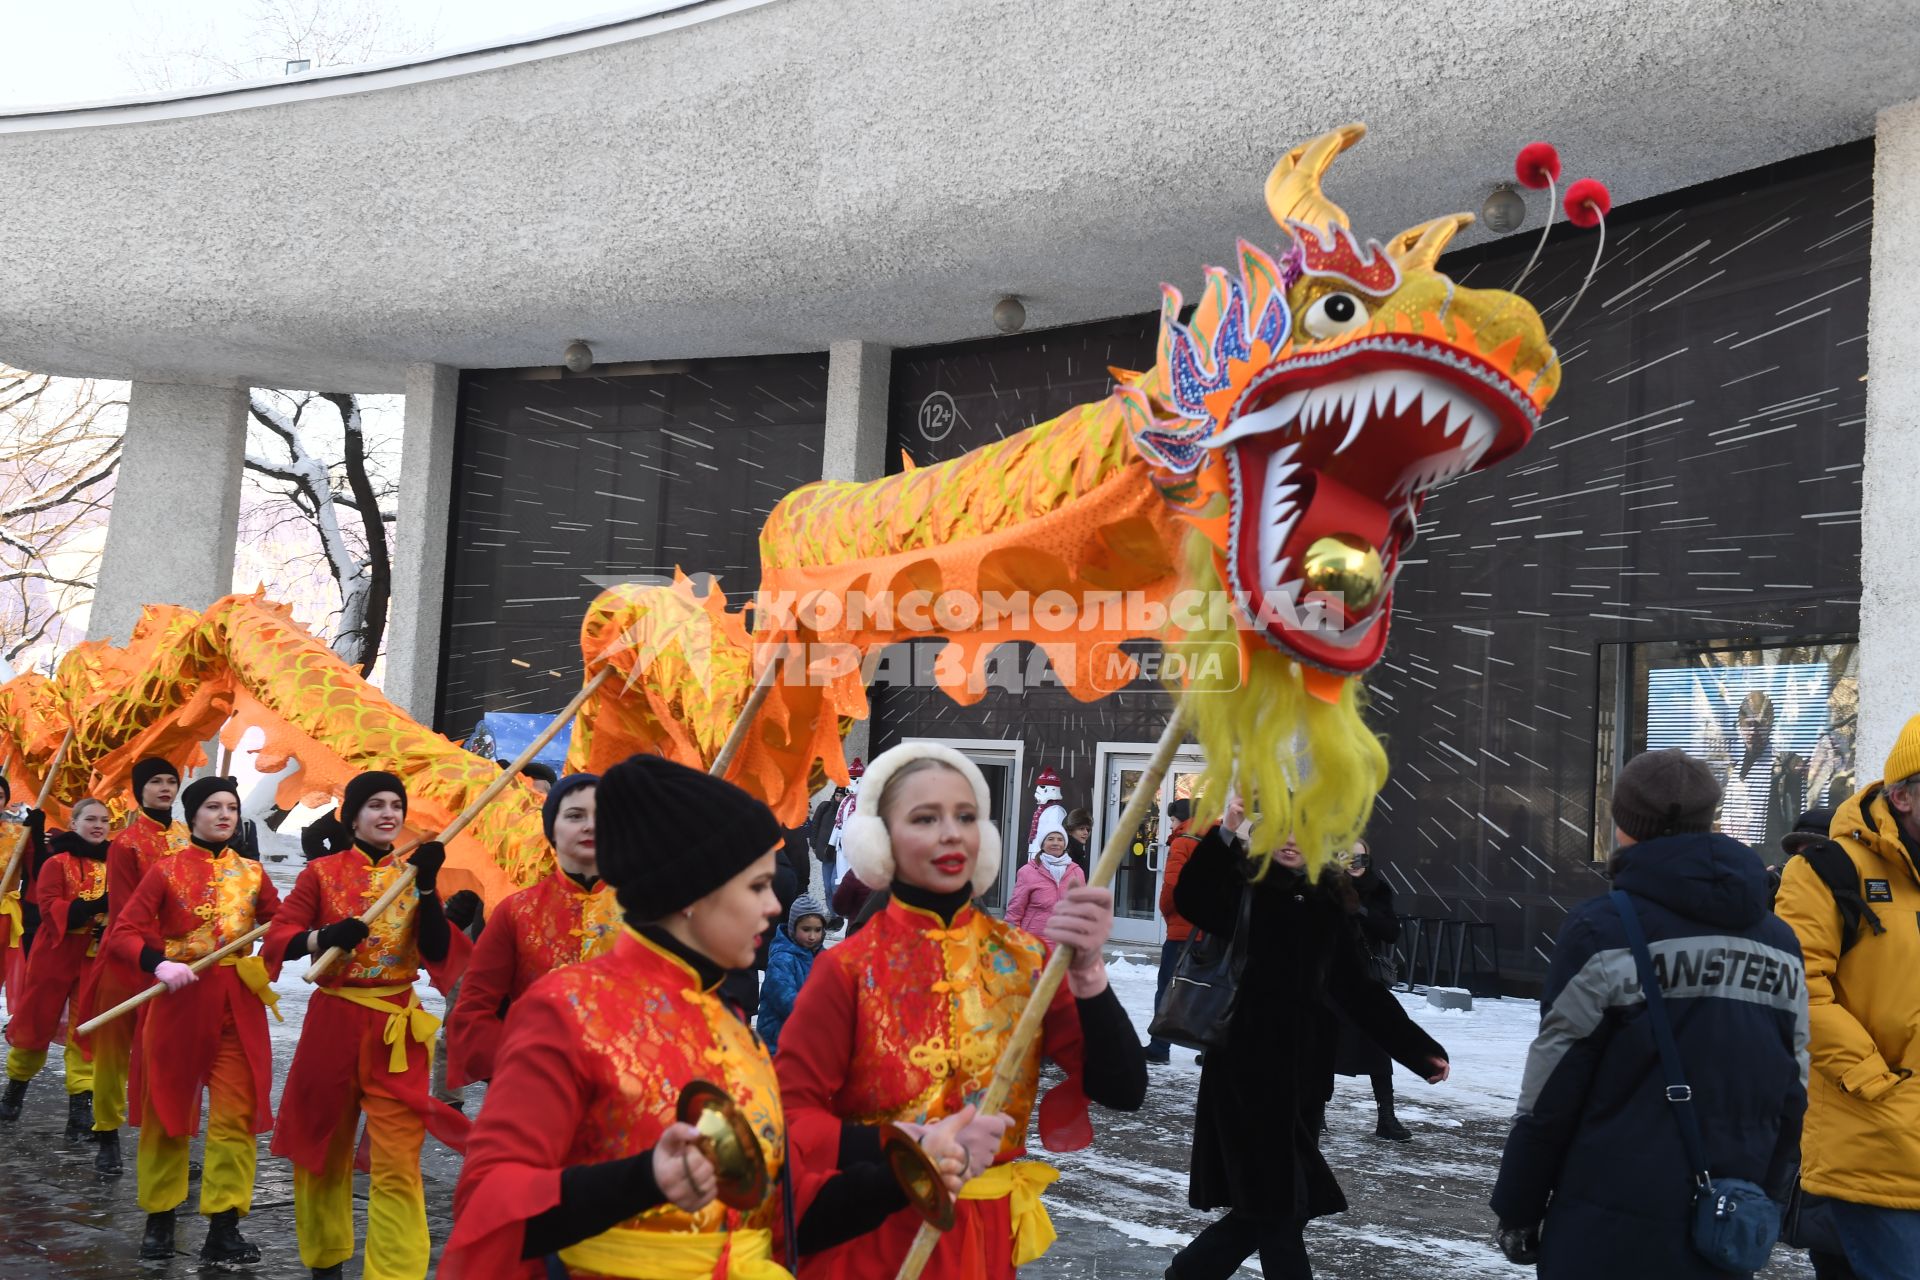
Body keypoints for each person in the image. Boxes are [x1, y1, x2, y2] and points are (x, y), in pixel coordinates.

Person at [440, 753, 984, 1278]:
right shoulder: (571, 1010)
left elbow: (776, 1212)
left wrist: (905, 1169)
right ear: (691, 895)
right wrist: (646, 1178)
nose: (774, 907)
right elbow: (489, 1203)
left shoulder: (730, 1028)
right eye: (756, 886)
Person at [779, 741, 1148, 1278]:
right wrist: (906, 1147)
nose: (951, 833)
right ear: (881, 838)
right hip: (878, 1241)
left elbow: (1122, 1086)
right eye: (925, 818)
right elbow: (788, 1120)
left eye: (966, 816)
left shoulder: (1025, 961)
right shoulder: (849, 970)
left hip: (984, 1243)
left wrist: (1089, 974)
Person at [1492, 748, 1807, 1279]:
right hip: (1723, 1223)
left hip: (1605, 1223)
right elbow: (1794, 1089)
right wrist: (1768, 1199)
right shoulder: (1779, 941)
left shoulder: (1601, 930)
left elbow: (1552, 1087)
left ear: (1623, 826)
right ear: (1711, 818)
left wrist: (1518, 1205)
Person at [1167, 798, 1449, 1280]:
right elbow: (1190, 900)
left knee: (1279, 1203)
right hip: (1245, 1073)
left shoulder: (1325, 900)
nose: (1292, 840)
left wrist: (1418, 1050)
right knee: (1280, 1205)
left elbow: (1357, 990)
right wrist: (1225, 832)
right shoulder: (1245, 887)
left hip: (1304, 1076)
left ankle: (1189, 1272)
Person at [262, 770, 470, 1280]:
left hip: (395, 1030)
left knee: (398, 1159)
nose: (387, 814)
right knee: (322, 1150)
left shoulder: (413, 875)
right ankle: (325, 1261)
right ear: (352, 816)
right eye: (374, 804)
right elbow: (280, 939)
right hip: (333, 1019)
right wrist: (323, 937)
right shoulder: (321, 873)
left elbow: (438, 951)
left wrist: (425, 887)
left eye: (395, 805)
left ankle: (395, 1273)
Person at [104, 775, 282, 1266]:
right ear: (193, 815)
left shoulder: (252, 873)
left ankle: (224, 1225)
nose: (224, 815)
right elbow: (123, 933)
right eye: (213, 807)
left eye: (231, 807)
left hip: (237, 1006)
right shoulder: (165, 871)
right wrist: (157, 962)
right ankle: (159, 1221)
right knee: (168, 1111)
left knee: (235, 1117)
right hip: (179, 999)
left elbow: (284, 925)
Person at [1774, 715, 1920, 1280]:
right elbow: (1798, 988)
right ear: (1902, 797)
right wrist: (1871, 1078)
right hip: (1873, 1139)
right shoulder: (1828, 871)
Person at [446, 773, 614, 1089]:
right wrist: (517, 1062)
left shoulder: (646, 912)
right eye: (575, 815)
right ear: (551, 828)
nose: (591, 825)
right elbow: (474, 1009)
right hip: (534, 1089)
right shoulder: (516, 912)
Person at [73, 756, 185, 1176]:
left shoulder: (188, 837)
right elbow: (123, 912)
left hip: (176, 960)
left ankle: (166, 1136)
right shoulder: (126, 844)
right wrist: (151, 952)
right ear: (139, 790)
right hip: (129, 959)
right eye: (155, 781)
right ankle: (107, 1132)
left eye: (170, 781)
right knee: (114, 1053)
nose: (164, 788)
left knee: (167, 1053)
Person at [0, 796, 112, 1137]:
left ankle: (80, 1105)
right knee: (36, 1023)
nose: (98, 825)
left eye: (104, 820)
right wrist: (93, 907)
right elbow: (50, 909)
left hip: (94, 959)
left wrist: (109, 922)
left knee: (87, 1028)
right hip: (55, 955)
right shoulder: (56, 862)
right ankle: (15, 1089)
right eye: (90, 819)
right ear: (74, 823)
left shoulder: (117, 865)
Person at [1328, 839, 1410, 1141]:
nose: (1355, 863)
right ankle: (1316, 1111)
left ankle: (1386, 1117)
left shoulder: (1378, 889)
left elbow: (1391, 932)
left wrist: (1360, 910)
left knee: (1378, 1049)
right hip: (1332, 978)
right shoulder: (1326, 888)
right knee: (1326, 1044)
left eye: (1360, 857)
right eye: (1348, 857)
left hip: (1366, 981)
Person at [1147, 797, 1200, 1065]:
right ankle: (1209, 1049)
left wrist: (1166, 911)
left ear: (1180, 818)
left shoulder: (1183, 842)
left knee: (1168, 988)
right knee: (1206, 988)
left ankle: (1159, 1047)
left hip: (1181, 930)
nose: (1170, 825)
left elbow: (1172, 887)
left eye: (1171, 819)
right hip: (1210, 931)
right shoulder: (1219, 841)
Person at [759, 893, 827, 1056]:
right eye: (806, 929)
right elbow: (785, 999)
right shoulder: (782, 959)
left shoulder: (823, 957)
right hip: (778, 1039)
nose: (812, 936)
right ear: (792, 928)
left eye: (817, 930)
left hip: (806, 1038)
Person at [1003, 809, 1087, 939]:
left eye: (1060, 839)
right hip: (1033, 943)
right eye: (1050, 839)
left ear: (1065, 844)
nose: (1055, 843)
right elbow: (1015, 910)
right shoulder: (1028, 872)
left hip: (1065, 944)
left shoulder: (1076, 872)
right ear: (1042, 844)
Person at [1065, 808, 1094, 877]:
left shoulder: (1078, 853)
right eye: (1081, 829)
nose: (1086, 833)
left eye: (1088, 829)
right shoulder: (1067, 854)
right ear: (1071, 830)